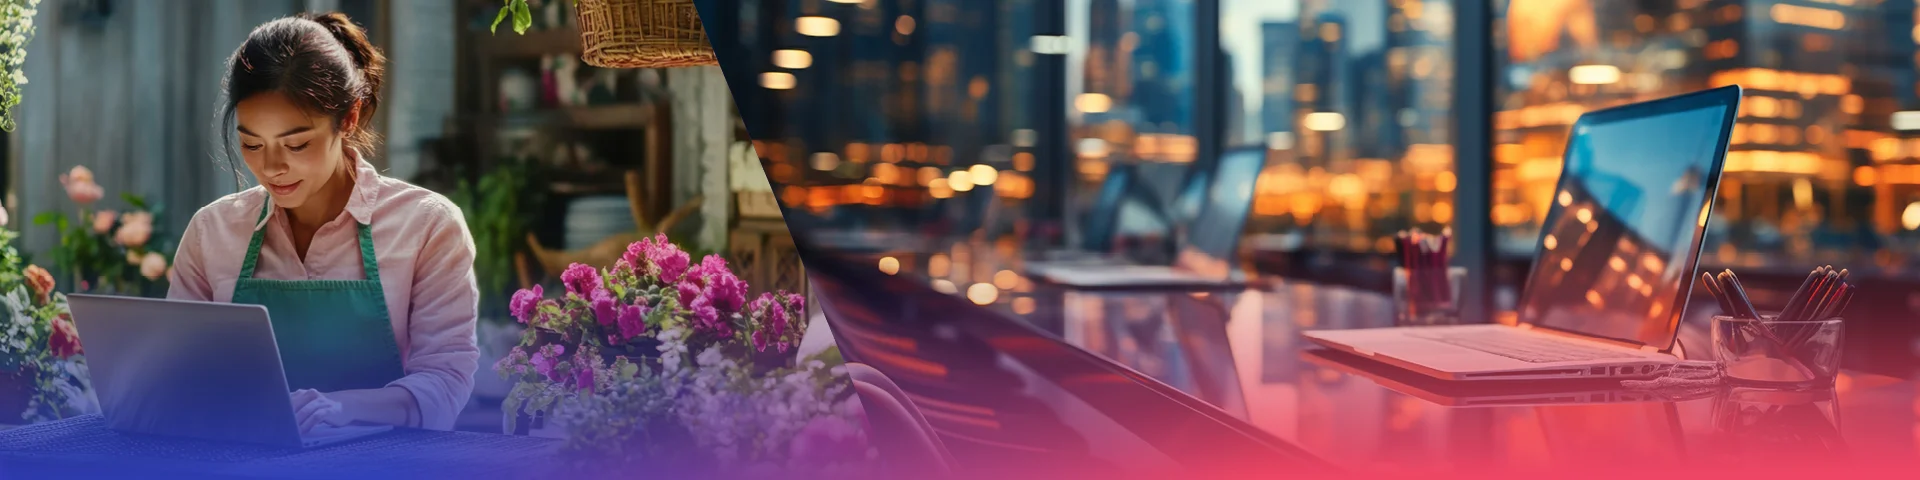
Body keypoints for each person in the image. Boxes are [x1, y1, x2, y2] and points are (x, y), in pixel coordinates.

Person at [167, 12, 479, 433]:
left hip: (387, 461)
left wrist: (344, 407)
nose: (272, 167)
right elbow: (178, 373)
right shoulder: (212, 231)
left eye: (296, 144)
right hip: (241, 455)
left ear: (348, 118)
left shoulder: (426, 225)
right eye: (252, 144)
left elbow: (444, 381)